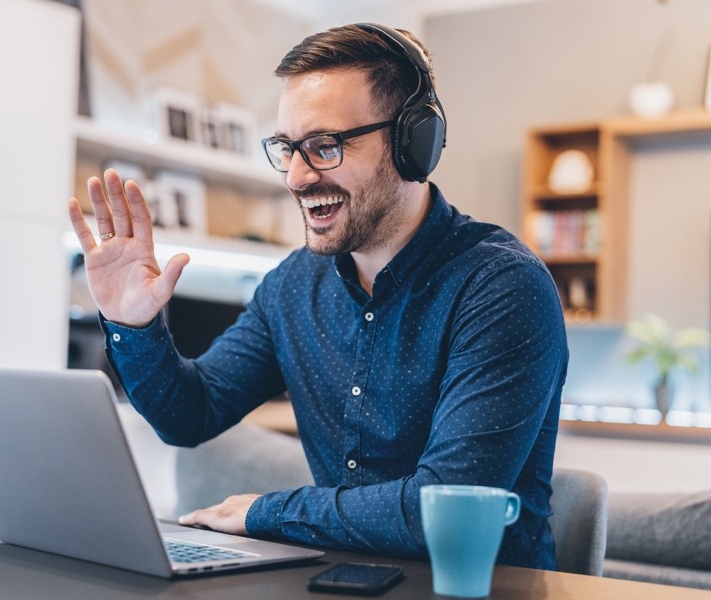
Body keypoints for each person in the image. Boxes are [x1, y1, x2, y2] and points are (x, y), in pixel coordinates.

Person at [67, 23, 568, 569]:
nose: (298, 178)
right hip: (338, 580)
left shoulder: (502, 288)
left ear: (412, 144)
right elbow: (190, 415)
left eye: (325, 147)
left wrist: (266, 512)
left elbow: (442, 508)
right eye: (287, 148)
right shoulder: (292, 286)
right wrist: (133, 325)